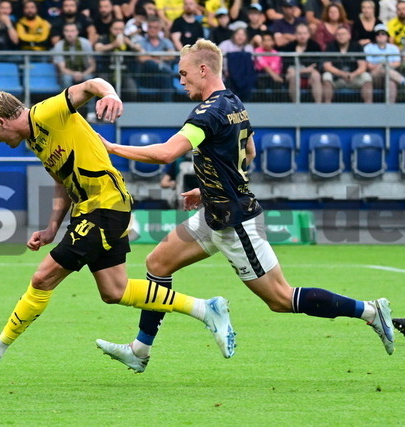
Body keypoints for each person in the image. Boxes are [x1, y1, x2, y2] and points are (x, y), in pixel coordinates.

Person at [95, 39, 395, 373]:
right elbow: (248, 152)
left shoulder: (207, 113)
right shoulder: (233, 102)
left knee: (280, 299)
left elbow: (166, 153)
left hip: (235, 223)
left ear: (203, 70)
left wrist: (111, 147)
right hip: (214, 214)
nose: (181, 81)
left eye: (184, 74)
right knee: (158, 263)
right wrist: (208, 189)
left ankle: (370, 311)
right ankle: (140, 350)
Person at [0, 77, 235, 377]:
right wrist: (52, 227)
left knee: (42, 278)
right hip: (93, 210)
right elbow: (62, 182)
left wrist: (110, 94)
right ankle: (205, 309)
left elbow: (92, 84)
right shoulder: (35, 140)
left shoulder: (46, 113)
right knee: (114, 290)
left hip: (105, 206)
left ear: (0, 121)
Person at [322, 25, 373, 103]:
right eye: (338, 34)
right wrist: (342, 74)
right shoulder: (331, 46)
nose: (341, 36)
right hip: (337, 78)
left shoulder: (357, 46)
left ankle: (368, 106)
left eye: (343, 34)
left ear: (349, 36)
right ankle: (327, 105)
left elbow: (363, 66)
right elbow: (327, 66)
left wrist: (353, 74)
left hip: (354, 77)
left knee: (366, 76)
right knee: (326, 76)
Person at [280, 22, 323, 103]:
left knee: (316, 75)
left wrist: (300, 71)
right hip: (293, 74)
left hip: (308, 75)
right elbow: (287, 66)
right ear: (295, 35)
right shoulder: (289, 47)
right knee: (293, 76)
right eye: (299, 33)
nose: (302, 36)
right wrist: (302, 70)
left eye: (305, 33)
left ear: (309, 34)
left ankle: (318, 105)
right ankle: (295, 104)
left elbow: (315, 65)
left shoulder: (315, 46)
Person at [364, 23, 405, 102]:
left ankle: (391, 108)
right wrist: (382, 66)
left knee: (391, 83)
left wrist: (386, 65)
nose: (380, 36)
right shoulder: (368, 47)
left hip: (389, 75)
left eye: (383, 34)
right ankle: (403, 81)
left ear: (387, 36)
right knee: (383, 68)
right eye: (378, 34)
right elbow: (369, 65)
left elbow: (397, 63)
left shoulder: (393, 48)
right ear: (375, 36)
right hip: (374, 76)